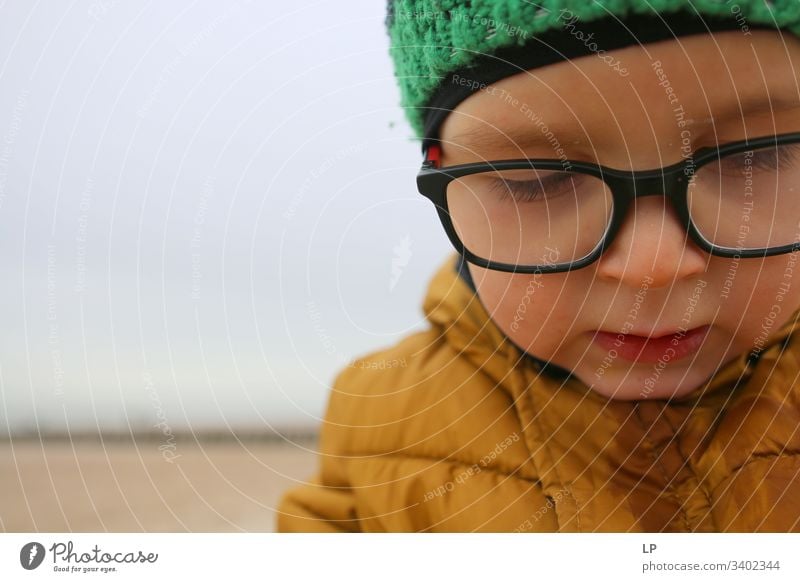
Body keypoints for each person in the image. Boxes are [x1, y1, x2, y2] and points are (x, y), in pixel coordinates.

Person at [277, 2, 800, 532]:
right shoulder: (382, 422)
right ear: (443, 178)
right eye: (536, 179)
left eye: (752, 158)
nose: (653, 267)